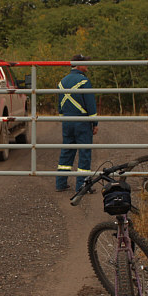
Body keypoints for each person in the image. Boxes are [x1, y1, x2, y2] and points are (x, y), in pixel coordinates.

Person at [56, 54, 98, 192]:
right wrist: (95, 122)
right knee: (84, 153)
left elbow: (60, 105)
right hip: (82, 121)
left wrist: (63, 118)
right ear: (79, 65)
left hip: (67, 121)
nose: (88, 66)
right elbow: (90, 104)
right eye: (86, 63)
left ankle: (60, 183)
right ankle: (82, 185)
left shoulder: (62, 82)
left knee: (67, 151)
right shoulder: (84, 81)